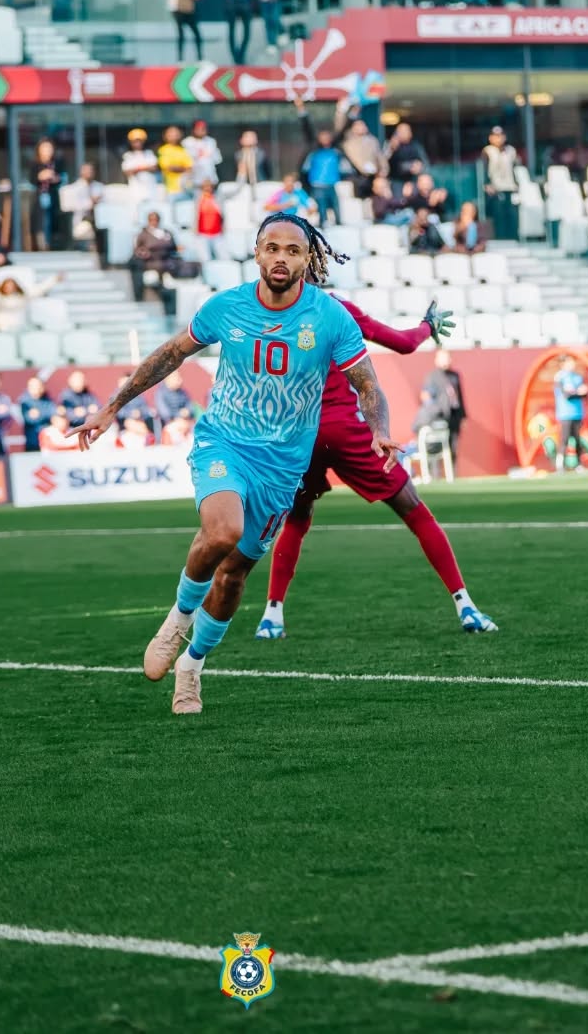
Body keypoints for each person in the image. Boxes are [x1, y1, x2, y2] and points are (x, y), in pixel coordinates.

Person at [73, 212, 399, 717]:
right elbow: (170, 354)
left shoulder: (330, 317)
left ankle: (192, 667)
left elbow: (369, 387)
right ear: (257, 252)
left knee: (232, 577)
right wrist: (114, 405)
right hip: (224, 443)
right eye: (272, 248)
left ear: (307, 259)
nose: (281, 258)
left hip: (282, 466)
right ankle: (177, 621)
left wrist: (379, 428)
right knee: (221, 531)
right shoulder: (226, 307)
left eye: (293, 250)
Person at [254, 295, 494, 643]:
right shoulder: (337, 308)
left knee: (296, 519)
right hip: (343, 429)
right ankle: (466, 606)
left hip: (297, 434)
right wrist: (428, 326)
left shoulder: (265, 312)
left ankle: (271, 616)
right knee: (415, 511)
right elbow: (402, 343)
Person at [300, 109, 348, 228]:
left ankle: (338, 223)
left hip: (331, 183)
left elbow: (344, 130)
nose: (325, 139)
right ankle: (323, 223)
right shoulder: (314, 151)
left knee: (335, 204)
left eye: (327, 137)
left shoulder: (335, 151)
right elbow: (307, 129)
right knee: (321, 206)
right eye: (323, 137)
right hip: (317, 184)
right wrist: (302, 111)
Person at [422, 349, 467, 470]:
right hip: (440, 417)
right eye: (444, 358)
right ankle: (435, 474)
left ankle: (452, 473)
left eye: (448, 358)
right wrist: (435, 412)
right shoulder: (432, 377)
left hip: (454, 415)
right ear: (437, 360)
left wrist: (463, 416)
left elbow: (460, 396)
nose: (447, 361)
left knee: (453, 445)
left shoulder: (455, 375)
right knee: (437, 446)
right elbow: (427, 397)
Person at [129, 211, 178, 314]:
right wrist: (144, 253)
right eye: (151, 220)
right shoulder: (143, 234)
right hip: (152, 262)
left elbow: (173, 246)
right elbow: (137, 250)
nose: (154, 222)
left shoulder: (166, 232)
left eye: (156, 219)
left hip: (167, 261)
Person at [553, 354, 588, 471]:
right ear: (563, 364)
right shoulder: (559, 377)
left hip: (577, 413)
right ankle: (560, 465)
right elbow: (566, 395)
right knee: (565, 439)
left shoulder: (577, 377)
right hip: (565, 414)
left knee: (577, 439)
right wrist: (578, 393)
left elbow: (585, 393)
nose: (572, 364)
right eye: (569, 362)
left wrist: (578, 393)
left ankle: (579, 464)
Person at [482, 127, 518, 240]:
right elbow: (483, 169)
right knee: (498, 214)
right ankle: (500, 237)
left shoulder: (511, 151)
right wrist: (486, 184)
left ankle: (512, 237)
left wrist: (517, 184)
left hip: (509, 187)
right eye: (496, 136)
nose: (499, 138)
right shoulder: (488, 151)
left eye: (501, 135)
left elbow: (515, 168)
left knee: (511, 214)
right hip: (495, 188)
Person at [30, 138, 64, 251]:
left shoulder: (57, 163)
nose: (47, 151)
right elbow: (32, 179)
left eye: (49, 148)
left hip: (53, 196)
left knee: (53, 221)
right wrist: (40, 176)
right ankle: (43, 246)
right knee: (41, 221)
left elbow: (62, 178)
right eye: (44, 148)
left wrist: (54, 178)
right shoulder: (35, 164)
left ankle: (53, 244)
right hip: (40, 196)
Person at [20, 376, 56, 451]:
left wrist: (39, 413)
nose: (36, 388)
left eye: (38, 386)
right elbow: (30, 419)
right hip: (32, 443)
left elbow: (53, 414)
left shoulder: (49, 400)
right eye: (32, 386)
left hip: (48, 443)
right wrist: (46, 414)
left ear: (43, 387)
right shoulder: (25, 402)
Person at [156, 125, 193, 196]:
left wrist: (177, 168)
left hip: (185, 189)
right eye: (171, 133)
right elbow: (168, 167)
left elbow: (190, 168)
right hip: (169, 190)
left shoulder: (183, 150)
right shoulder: (163, 150)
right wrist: (183, 168)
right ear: (165, 136)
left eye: (176, 133)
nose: (174, 135)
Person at [122, 128, 159, 198]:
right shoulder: (128, 155)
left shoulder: (149, 153)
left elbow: (154, 168)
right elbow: (128, 172)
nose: (138, 143)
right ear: (130, 142)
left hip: (151, 189)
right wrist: (145, 167)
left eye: (140, 141)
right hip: (136, 190)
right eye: (135, 141)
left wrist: (137, 168)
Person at [182, 120, 221, 185]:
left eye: (203, 128)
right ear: (193, 130)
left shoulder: (211, 141)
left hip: (210, 178)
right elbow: (186, 162)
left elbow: (218, 159)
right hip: (193, 178)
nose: (201, 131)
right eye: (198, 129)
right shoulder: (186, 142)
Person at [195, 180, 224, 258]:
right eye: (205, 186)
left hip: (217, 233)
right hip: (202, 234)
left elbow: (237, 190)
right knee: (205, 259)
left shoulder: (218, 198)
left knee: (224, 257)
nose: (208, 188)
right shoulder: (197, 198)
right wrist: (189, 173)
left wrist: (241, 174)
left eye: (209, 185)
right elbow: (185, 186)